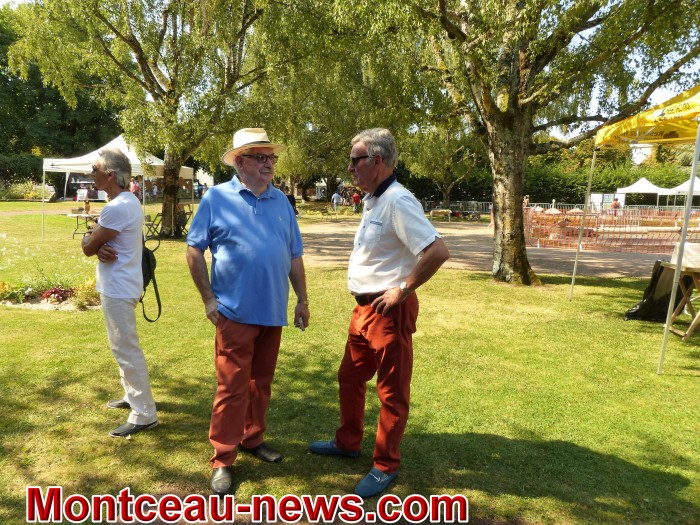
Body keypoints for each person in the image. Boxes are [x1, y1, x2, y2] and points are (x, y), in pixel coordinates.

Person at [309, 128, 450, 498]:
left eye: (355, 160)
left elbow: (437, 251)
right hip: (363, 310)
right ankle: (347, 442)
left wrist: (403, 289)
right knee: (349, 377)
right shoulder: (375, 199)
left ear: (377, 161)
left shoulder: (398, 201)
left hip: (388, 311)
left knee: (391, 391)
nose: (350, 167)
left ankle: (386, 464)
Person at [186, 128, 310, 497]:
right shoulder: (216, 198)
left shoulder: (281, 200)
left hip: (273, 311)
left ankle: (252, 438)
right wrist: (209, 300)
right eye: (260, 157)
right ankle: (223, 457)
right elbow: (194, 251)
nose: (269, 163)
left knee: (261, 384)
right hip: (234, 312)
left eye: (271, 157)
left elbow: (294, 255)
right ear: (240, 162)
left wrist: (302, 299)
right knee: (232, 388)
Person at [81, 148, 158, 438]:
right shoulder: (127, 200)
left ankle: (144, 413)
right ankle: (132, 396)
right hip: (124, 284)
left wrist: (92, 240)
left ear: (110, 175)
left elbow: (88, 246)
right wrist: (97, 241)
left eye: (95, 169)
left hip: (119, 288)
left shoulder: (117, 207)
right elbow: (98, 241)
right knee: (121, 346)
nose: (92, 173)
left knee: (125, 348)